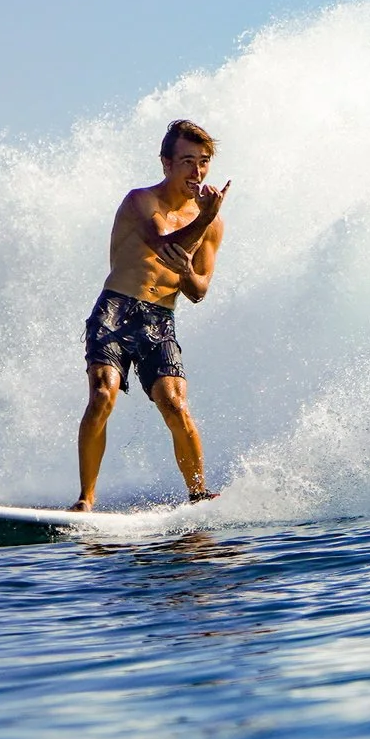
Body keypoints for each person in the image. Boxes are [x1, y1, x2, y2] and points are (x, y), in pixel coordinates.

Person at [73, 119, 230, 510]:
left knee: (174, 403)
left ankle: (198, 495)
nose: (197, 171)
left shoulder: (212, 224)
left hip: (160, 318)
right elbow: (163, 245)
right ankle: (86, 499)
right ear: (166, 163)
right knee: (102, 395)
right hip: (115, 308)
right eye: (187, 161)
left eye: (204, 162)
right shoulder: (140, 201)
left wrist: (188, 270)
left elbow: (198, 291)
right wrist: (205, 217)